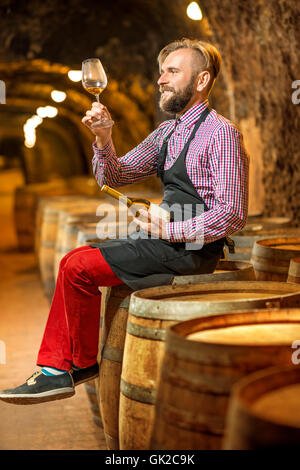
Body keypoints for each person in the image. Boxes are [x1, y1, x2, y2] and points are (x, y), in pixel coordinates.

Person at [0, 38, 248, 404]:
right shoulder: (168, 133)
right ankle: (76, 365)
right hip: (165, 242)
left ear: (201, 80)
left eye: (172, 71)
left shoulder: (221, 133)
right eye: (161, 71)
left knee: (79, 266)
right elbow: (113, 176)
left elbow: (232, 212)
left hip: (190, 249)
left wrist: (171, 228)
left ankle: (60, 369)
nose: (161, 80)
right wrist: (103, 137)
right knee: (72, 261)